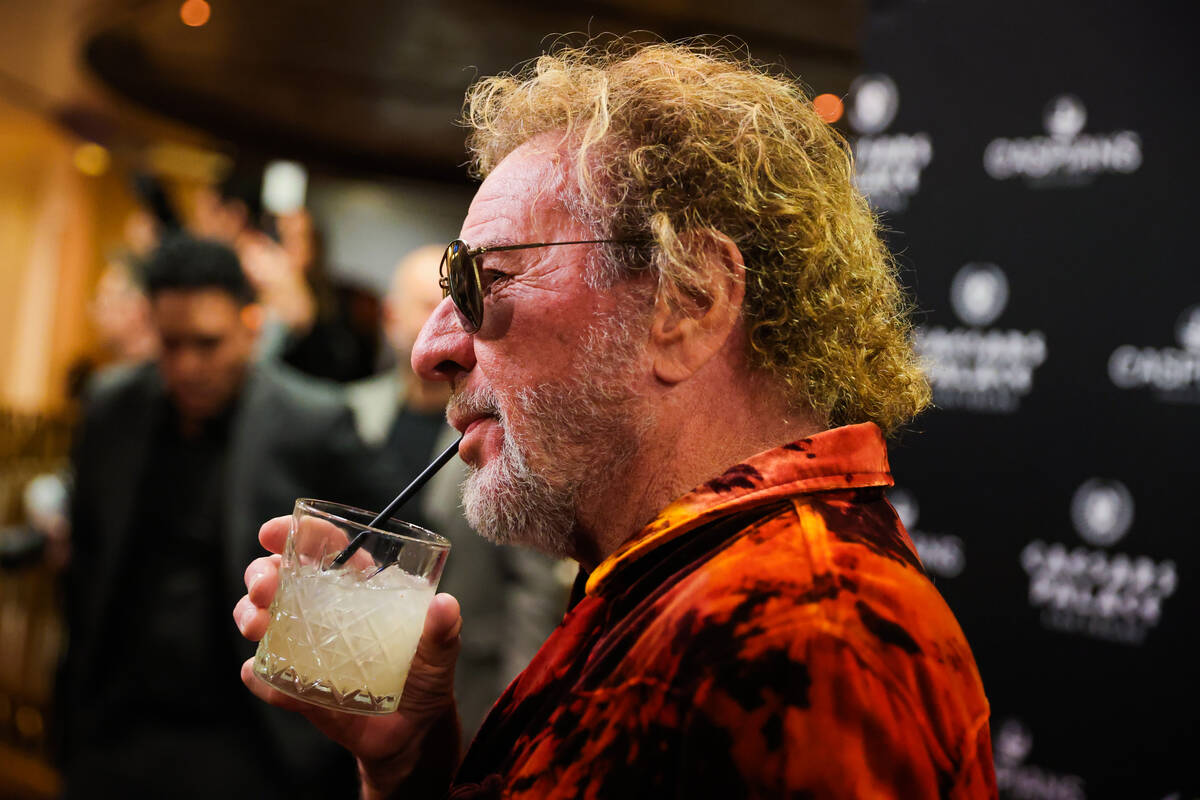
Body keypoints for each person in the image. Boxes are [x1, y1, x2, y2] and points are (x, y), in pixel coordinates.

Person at [234, 41, 997, 798]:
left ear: (688, 301)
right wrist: (409, 773)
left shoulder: (799, 635)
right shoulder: (685, 589)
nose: (430, 351)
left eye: (486, 281)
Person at [59, 234, 387, 798]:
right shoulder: (114, 408)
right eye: (170, 344)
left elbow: (385, 560)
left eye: (207, 344)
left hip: (251, 740)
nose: (186, 366)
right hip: (115, 724)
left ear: (250, 325)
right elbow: (87, 557)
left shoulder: (312, 422)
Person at [346, 245, 570, 741]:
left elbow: (531, 584)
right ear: (390, 315)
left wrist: (515, 724)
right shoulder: (347, 411)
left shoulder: (503, 427)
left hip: (464, 699)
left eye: (461, 305)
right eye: (427, 304)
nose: (442, 328)